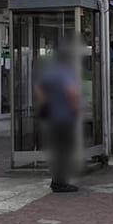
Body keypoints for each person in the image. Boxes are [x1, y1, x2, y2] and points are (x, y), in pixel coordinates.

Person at [36, 42, 81, 193]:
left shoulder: (50, 71)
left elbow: (40, 90)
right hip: (65, 117)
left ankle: (55, 180)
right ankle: (62, 182)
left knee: (56, 150)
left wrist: (48, 103)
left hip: (52, 117)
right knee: (65, 150)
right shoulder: (66, 72)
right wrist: (75, 109)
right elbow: (72, 93)